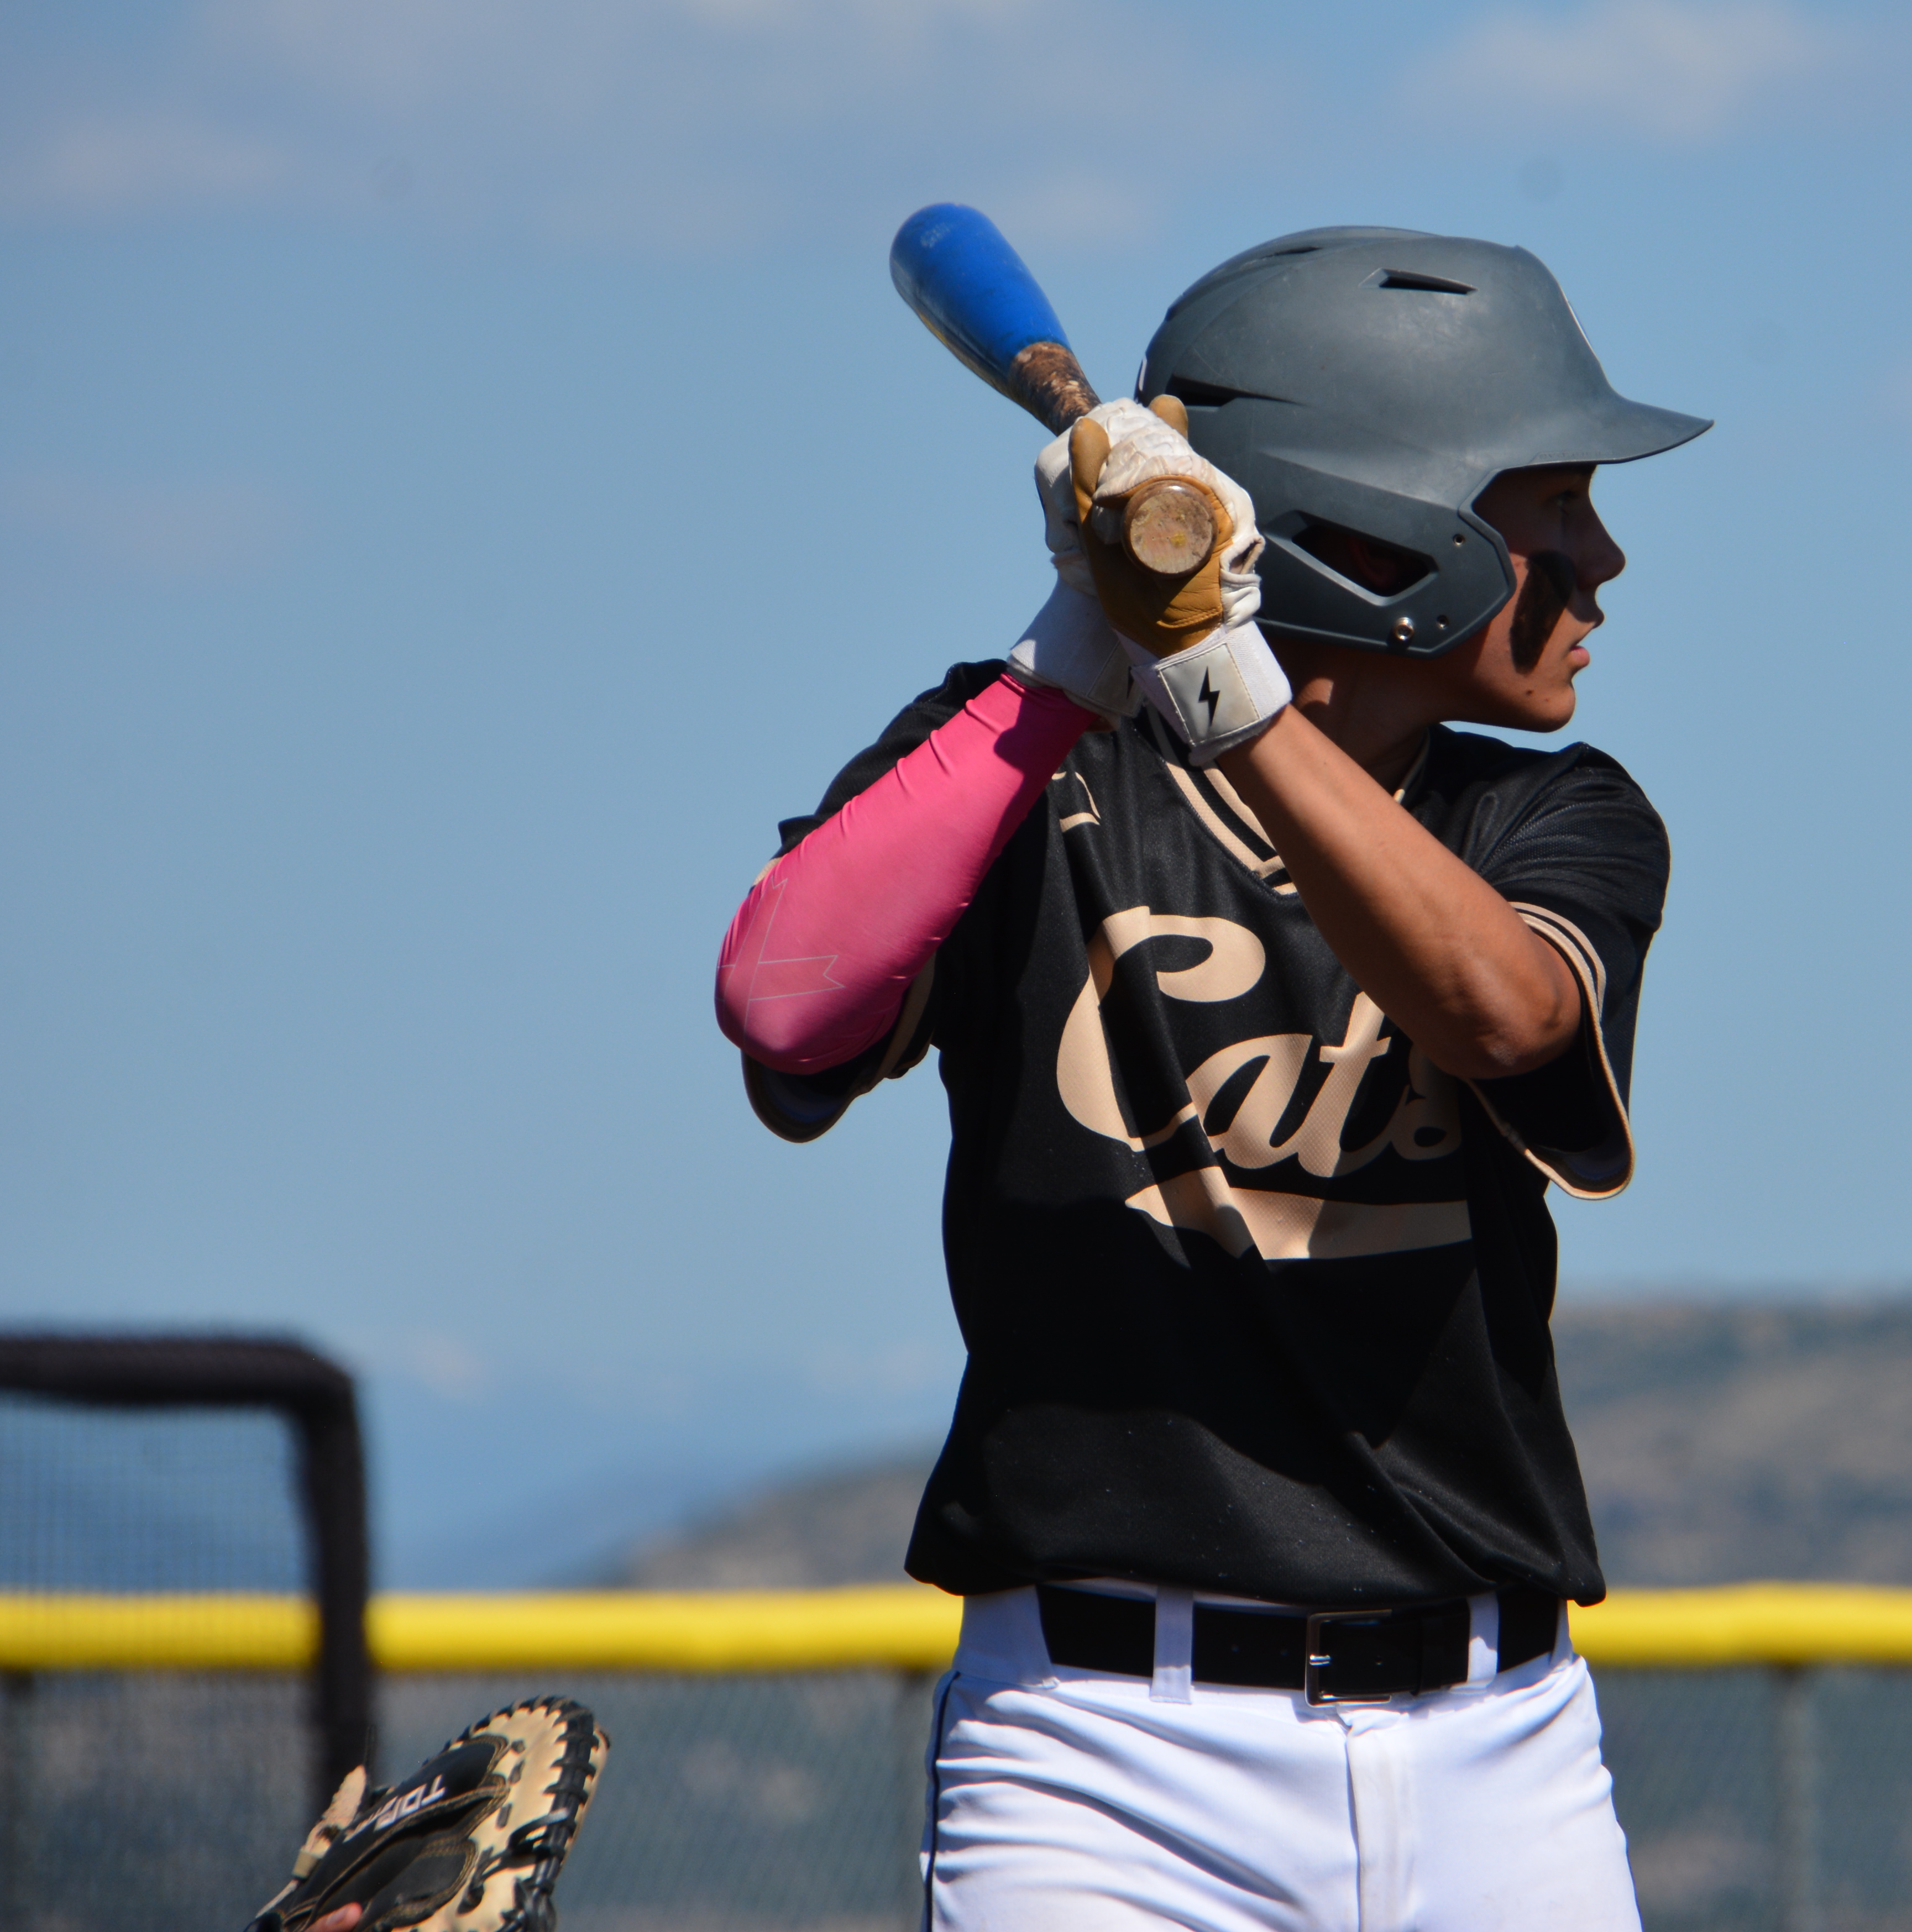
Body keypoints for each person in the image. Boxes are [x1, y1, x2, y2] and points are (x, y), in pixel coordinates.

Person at [713, 225, 1705, 1930]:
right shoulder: (1018, 759)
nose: (1602, 559)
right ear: (1387, 536)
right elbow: (783, 1010)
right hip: (1099, 1759)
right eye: (1551, 507)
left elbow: (1502, 1016)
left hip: (1500, 1747)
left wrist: (1226, 687)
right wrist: (1062, 664)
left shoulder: (1550, 813)